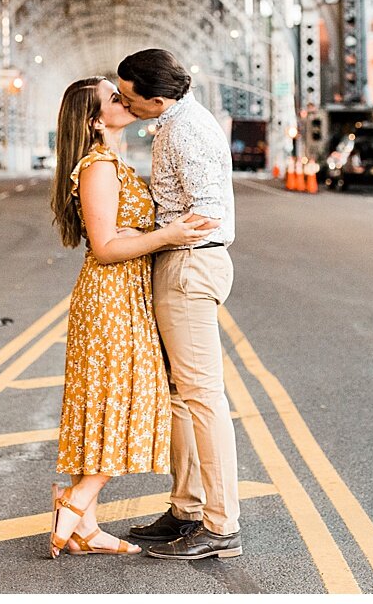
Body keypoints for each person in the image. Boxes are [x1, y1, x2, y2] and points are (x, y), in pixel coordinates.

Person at [47, 76, 215, 559]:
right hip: (110, 299)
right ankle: (75, 501)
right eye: (114, 98)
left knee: (104, 405)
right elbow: (105, 248)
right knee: (129, 400)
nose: (126, 101)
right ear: (96, 120)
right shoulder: (99, 165)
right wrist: (170, 235)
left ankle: (87, 528)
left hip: (124, 293)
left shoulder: (114, 161)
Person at [116, 49, 243, 561]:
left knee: (202, 397)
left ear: (158, 98)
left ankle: (220, 525)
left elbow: (207, 212)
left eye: (129, 97)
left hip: (190, 265)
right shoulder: (178, 121)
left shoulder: (185, 130)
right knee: (182, 397)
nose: (124, 103)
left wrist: (156, 235)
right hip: (184, 263)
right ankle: (187, 509)